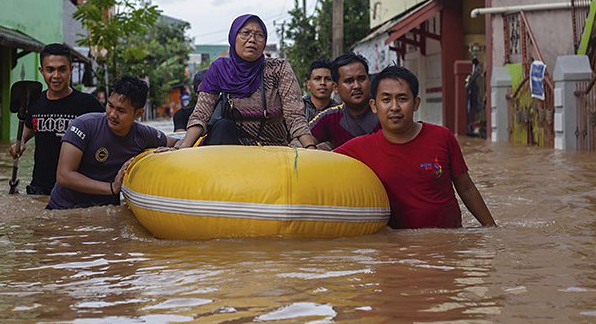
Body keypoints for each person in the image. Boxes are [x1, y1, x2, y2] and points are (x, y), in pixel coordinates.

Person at [335, 65, 496, 229]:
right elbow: (321, 164)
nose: (395, 107)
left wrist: (492, 229)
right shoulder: (360, 148)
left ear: (416, 103)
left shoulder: (442, 137)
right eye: (386, 100)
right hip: (398, 247)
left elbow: (467, 188)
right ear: (374, 105)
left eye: (402, 99)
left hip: (448, 244)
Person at [177, 14, 317, 148]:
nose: (252, 39)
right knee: (223, 125)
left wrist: (310, 147)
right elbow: (201, 114)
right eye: (246, 33)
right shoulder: (219, 69)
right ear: (233, 37)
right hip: (230, 146)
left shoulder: (279, 68)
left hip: (274, 148)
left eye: (259, 35)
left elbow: (295, 116)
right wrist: (182, 147)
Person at [47, 75, 178, 210]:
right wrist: (111, 188)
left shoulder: (143, 135)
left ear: (138, 113)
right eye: (110, 105)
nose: (112, 114)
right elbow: (64, 175)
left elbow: (177, 143)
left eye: (121, 110)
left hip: (105, 212)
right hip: (63, 210)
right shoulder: (83, 125)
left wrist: (171, 151)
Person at [8, 43, 104, 195]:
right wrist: (20, 142)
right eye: (50, 69)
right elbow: (31, 126)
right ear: (41, 71)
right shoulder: (34, 102)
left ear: (71, 69)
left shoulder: (88, 104)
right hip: (39, 188)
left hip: (76, 190)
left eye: (62, 69)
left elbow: (106, 135)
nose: (56, 76)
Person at [310, 53, 379, 150]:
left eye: (362, 79)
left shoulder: (386, 112)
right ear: (335, 87)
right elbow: (302, 140)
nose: (357, 86)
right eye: (349, 81)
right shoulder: (330, 118)